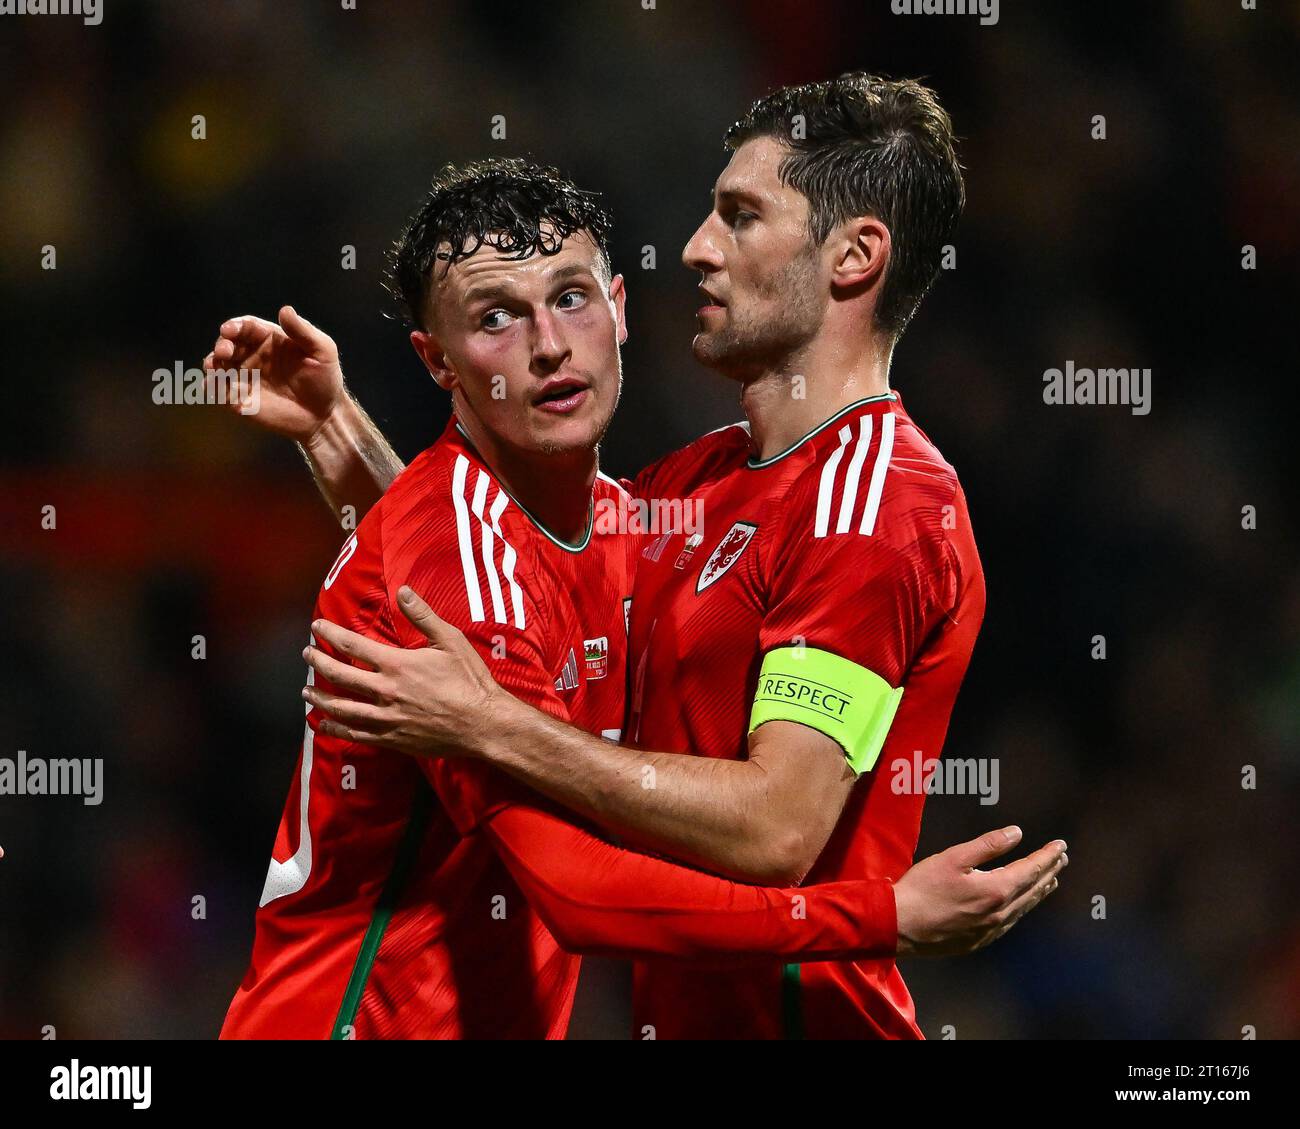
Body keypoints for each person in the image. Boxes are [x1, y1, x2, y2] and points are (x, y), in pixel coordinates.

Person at [214, 151, 1062, 1040]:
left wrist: (335, 428)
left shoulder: (630, 523)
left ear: (618, 308)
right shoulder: (450, 559)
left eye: (571, 298)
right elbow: (580, 892)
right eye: (496, 318)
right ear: (437, 362)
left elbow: (493, 557)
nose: (548, 346)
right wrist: (881, 917)